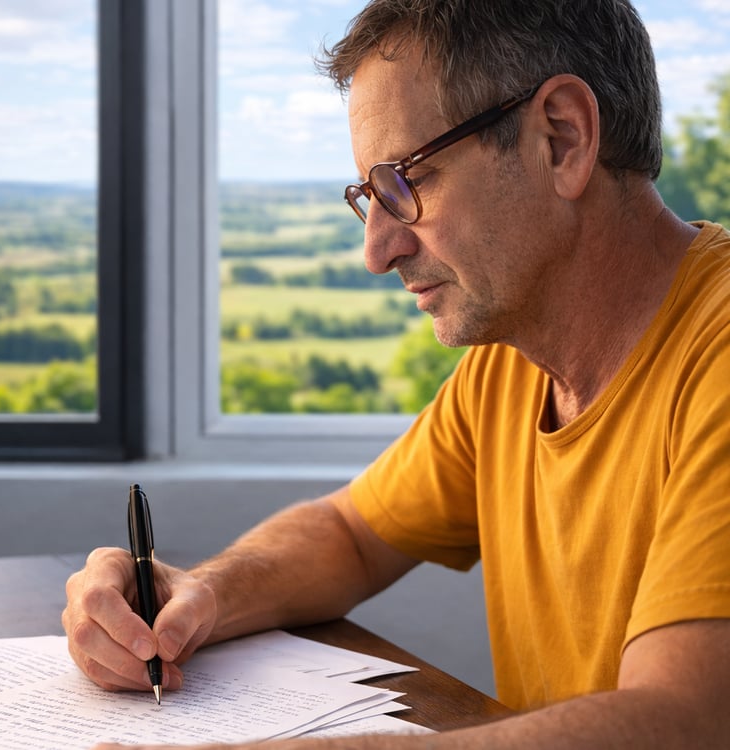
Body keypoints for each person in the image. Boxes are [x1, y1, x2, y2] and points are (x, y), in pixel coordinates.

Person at [63, 0, 730, 747]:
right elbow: (351, 532)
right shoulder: (510, 368)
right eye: (369, 199)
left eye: (406, 182)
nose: (377, 250)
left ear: (561, 139)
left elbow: (688, 720)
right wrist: (200, 595)